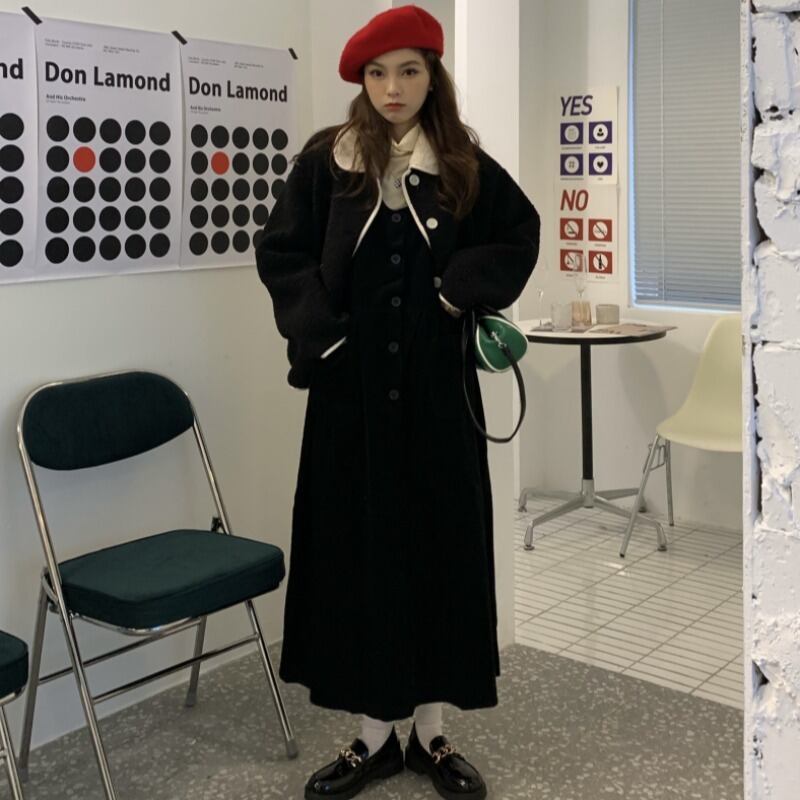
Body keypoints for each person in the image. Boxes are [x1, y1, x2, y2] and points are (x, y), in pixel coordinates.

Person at [256, 5, 540, 799]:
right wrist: (323, 335)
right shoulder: (329, 162)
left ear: (431, 76)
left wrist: (458, 291)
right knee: (359, 556)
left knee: (440, 552)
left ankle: (431, 735)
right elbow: (281, 252)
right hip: (348, 402)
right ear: (362, 80)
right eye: (378, 73)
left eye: (409, 70)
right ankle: (372, 738)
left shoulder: (464, 165)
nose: (393, 87)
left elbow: (518, 235)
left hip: (438, 396)